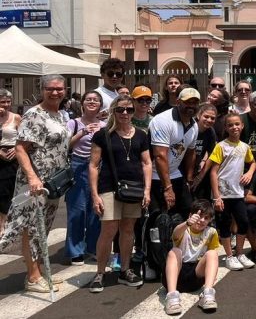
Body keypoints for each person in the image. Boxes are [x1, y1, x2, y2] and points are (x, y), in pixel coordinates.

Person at [0, 74, 70, 293]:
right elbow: (20, 148)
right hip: (35, 183)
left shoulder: (60, 114)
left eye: (59, 88)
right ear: (42, 90)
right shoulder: (34, 114)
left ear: (65, 90)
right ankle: (32, 277)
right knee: (31, 229)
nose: (55, 92)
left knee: (43, 228)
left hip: (53, 182)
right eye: (50, 88)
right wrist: (31, 177)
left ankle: (40, 272)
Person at [88, 95, 151, 292]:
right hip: (109, 187)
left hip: (134, 188)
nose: (125, 113)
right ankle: (100, 272)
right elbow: (93, 165)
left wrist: (147, 190)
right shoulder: (103, 135)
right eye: (121, 109)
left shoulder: (141, 134)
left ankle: (125, 269)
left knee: (128, 229)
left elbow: (147, 163)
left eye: (129, 110)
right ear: (114, 110)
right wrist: (94, 194)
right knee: (109, 230)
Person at [208, 114, 256, 271]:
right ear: (226, 128)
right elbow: (213, 172)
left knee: (243, 221)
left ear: (242, 126)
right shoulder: (221, 146)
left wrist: (249, 173)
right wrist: (216, 197)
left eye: (237, 124)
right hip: (222, 194)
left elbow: (253, 162)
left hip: (237, 193)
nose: (235, 127)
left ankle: (240, 253)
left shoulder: (245, 147)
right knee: (224, 224)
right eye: (231, 125)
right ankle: (229, 256)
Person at [65, 90, 105, 264]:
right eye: (88, 99)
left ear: (100, 105)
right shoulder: (73, 123)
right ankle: (75, 251)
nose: (92, 102)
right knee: (77, 209)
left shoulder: (104, 125)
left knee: (96, 209)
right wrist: (82, 132)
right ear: (82, 103)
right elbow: (65, 145)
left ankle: (93, 247)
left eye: (95, 100)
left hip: (99, 167)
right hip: (78, 165)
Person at [148, 87, 200, 219]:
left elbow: (191, 152)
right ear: (178, 102)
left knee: (188, 210)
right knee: (159, 218)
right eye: (188, 102)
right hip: (155, 175)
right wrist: (167, 188)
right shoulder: (163, 120)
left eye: (195, 103)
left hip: (175, 173)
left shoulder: (194, 125)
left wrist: (188, 178)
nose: (191, 106)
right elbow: (160, 156)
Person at [164, 200, 220, 315]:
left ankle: (207, 294)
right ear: (190, 215)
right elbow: (175, 234)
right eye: (199, 216)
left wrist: (212, 275)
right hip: (176, 276)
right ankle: (172, 298)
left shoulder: (211, 232)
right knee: (174, 251)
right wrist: (187, 223)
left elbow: (211, 259)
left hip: (195, 276)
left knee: (212, 253)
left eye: (206, 218)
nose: (202, 220)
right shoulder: (184, 229)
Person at [0, 89, 20, 235]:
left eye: (8, 102)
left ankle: (4, 226)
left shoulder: (16, 118)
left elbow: (24, 137)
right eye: (2, 102)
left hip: (11, 158)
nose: (6, 105)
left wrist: (16, 148)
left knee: (6, 192)